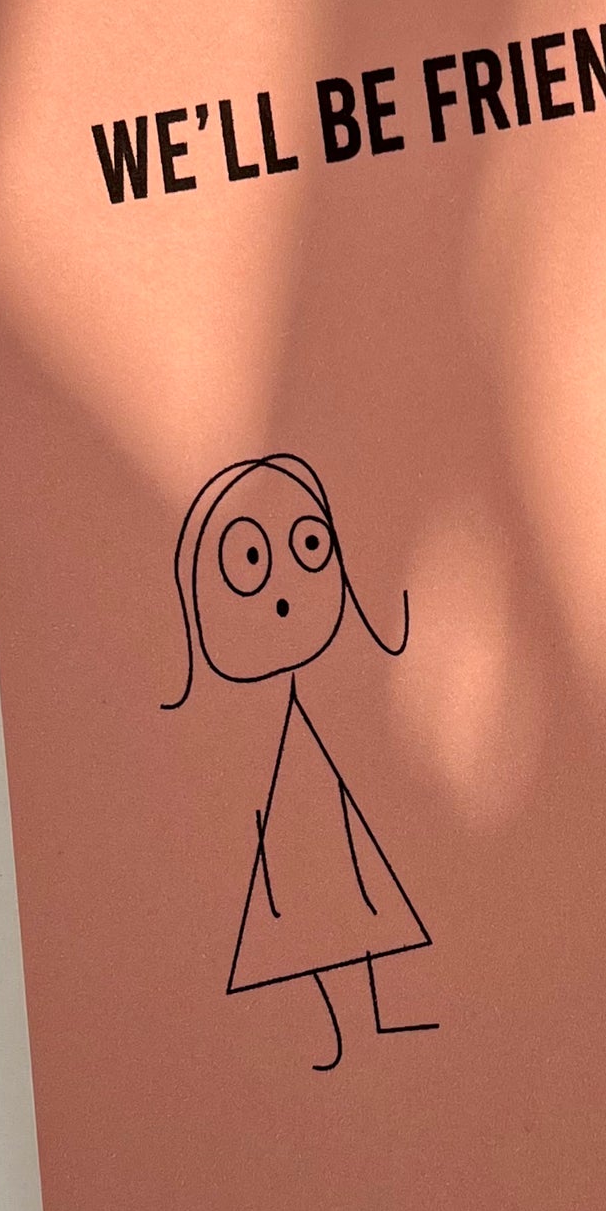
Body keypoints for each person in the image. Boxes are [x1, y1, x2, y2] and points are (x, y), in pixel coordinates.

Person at [164, 454, 435, 1068]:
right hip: (289, 849)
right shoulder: (247, 735)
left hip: (326, 829)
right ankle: (342, 1031)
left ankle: (373, 1021)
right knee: (311, 932)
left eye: (310, 546)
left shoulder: (328, 711)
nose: (283, 594)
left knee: (358, 917)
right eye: (248, 562)